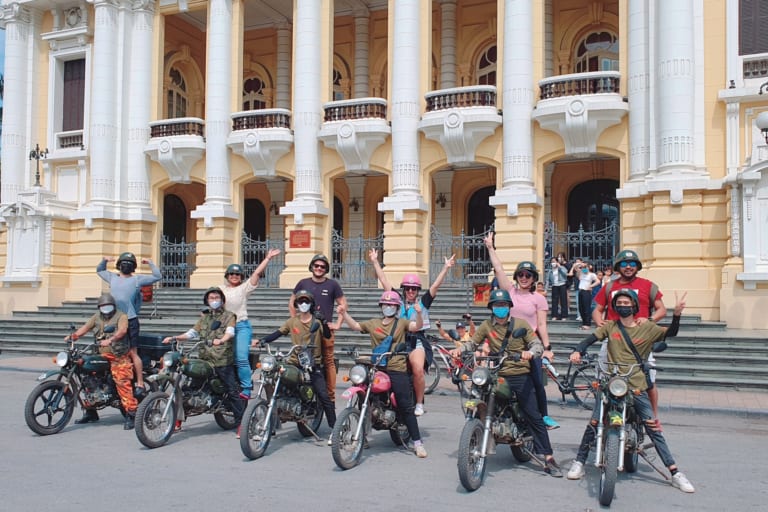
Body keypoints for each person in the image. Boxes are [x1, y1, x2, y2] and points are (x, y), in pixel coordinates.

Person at [566, 289, 695, 494]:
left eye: (627, 302)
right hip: (611, 381)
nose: (623, 305)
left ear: (634, 306)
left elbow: (670, 333)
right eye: (620, 303)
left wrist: (677, 314)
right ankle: (579, 462)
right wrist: (577, 350)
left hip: (636, 384)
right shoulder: (610, 326)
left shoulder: (647, 327)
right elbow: (590, 339)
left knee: (652, 426)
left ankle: (675, 472)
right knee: (594, 422)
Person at [449, 288, 563, 477]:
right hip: (498, 373)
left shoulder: (521, 324)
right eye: (496, 305)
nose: (500, 308)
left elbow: (536, 344)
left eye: (503, 305)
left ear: (509, 307)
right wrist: (460, 350)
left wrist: (530, 352)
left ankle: (548, 457)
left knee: (533, 415)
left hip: (520, 373)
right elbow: (473, 343)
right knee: (479, 390)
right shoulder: (486, 325)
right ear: (491, 308)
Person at [336, 290, 428, 458]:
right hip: (377, 366)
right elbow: (356, 326)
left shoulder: (401, 323)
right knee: (363, 394)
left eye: (392, 305)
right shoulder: (373, 323)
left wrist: (420, 314)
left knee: (406, 405)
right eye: (385, 304)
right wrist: (344, 313)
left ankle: (417, 442)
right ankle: (362, 434)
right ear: (381, 306)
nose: (388, 307)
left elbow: (417, 327)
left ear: (396, 307)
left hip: (396, 366)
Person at [483, 233, 559, 429]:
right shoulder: (509, 292)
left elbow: (542, 325)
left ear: (534, 278)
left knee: (536, 383)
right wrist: (491, 247)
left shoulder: (538, 298)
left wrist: (547, 348)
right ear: (516, 277)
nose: (524, 278)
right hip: (504, 342)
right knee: (491, 379)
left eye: (529, 275)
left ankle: (543, 416)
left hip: (528, 345)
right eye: (521, 275)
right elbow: (499, 269)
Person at [368, 248, 455, 416]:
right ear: (403, 289)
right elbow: (384, 281)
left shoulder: (423, 302)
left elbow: (435, 285)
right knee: (379, 366)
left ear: (417, 291)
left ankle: (420, 402)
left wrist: (446, 268)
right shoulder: (396, 301)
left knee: (417, 368)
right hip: (397, 340)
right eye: (407, 288)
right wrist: (374, 261)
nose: (410, 291)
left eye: (413, 289)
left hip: (417, 340)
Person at [591, 249, 667, 420]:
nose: (628, 267)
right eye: (624, 264)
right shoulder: (610, 286)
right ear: (618, 266)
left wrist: (649, 319)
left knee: (649, 382)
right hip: (613, 340)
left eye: (632, 264)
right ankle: (601, 416)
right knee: (602, 380)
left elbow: (661, 309)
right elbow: (598, 310)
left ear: (637, 266)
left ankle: (653, 418)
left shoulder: (648, 285)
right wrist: (600, 324)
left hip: (639, 341)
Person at [255, 290, 337, 444]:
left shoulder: (317, 322)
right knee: (276, 381)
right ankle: (270, 424)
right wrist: (262, 340)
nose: (303, 304)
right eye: (300, 302)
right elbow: (278, 333)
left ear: (311, 304)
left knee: (324, 396)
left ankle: (336, 429)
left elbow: (326, 335)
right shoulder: (292, 321)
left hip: (313, 363)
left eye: (306, 301)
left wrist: (324, 322)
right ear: (297, 304)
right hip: (294, 361)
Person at [162, 287, 245, 435]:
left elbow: (230, 332)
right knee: (187, 388)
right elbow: (192, 333)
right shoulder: (204, 318)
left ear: (222, 300)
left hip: (221, 359)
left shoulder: (229, 316)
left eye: (216, 298)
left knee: (232, 390)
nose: (214, 300)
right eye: (211, 298)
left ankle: (242, 425)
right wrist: (175, 337)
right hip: (204, 358)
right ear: (207, 301)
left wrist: (221, 340)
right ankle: (178, 420)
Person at [67, 293, 137, 429]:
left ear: (113, 306)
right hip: (101, 355)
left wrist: (110, 340)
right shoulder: (96, 317)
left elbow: (122, 331)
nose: (106, 308)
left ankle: (132, 413)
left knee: (121, 380)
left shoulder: (121, 316)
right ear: (99, 307)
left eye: (108, 305)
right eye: (103, 306)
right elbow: (85, 328)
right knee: (86, 376)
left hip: (118, 355)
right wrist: (73, 336)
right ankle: (90, 411)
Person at [97, 252, 162, 391]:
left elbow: (158, 276)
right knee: (110, 350)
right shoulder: (112, 277)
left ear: (133, 267)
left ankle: (139, 381)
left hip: (130, 320)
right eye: (123, 263)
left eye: (129, 264)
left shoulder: (137, 279)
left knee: (133, 352)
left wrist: (150, 262)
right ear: (119, 265)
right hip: (113, 320)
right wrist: (104, 260)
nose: (126, 265)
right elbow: (100, 270)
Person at [222, 248, 281, 399]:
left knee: (241, 358)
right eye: (231, 274)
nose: (234, 276)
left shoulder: (244, 288)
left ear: (241, 277)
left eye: (237, 274)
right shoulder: (220, 289)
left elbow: (255, 274)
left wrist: (267, 258)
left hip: (241, 326)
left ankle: (247, 388)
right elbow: (212, 301)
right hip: (223, 327)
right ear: (227, 276)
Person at [289, 254, 347, 403]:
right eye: (316, 266)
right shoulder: (303, 283)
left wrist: (338, 323)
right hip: (304, 329)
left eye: (322, 266)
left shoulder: (332, 284)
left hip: (325, 329)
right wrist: (294, 320)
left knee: (328, 361)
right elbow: (292, 302)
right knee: (301, 358)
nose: (319, 268)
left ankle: (330, 396)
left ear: (326, 268)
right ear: (312, 267)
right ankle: (300, 391)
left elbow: (343, 304)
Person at [575, 260, 600, 330]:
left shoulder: (592, 275)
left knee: (586, 308)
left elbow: (598, 281)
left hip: (586, 292)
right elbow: (576, 270)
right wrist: (580, 265)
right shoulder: (581, 273)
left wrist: (591, 286)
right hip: (580, 291)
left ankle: (587, 324)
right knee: (581, 308)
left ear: (589, 267)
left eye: (586, 267)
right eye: (583, 267)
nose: (584, 268)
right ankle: (584, 323)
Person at [547, 256, 569, 321]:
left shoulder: (562, 267)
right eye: (552, 262)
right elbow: (548, 280)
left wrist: (559, 267)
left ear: (557, 262)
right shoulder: (550, 271)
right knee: (554, 301)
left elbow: (565, 274)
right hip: (554, 286)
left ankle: (564, 316)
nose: (553, 263)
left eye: (554, 261)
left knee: (563, 301)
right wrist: (546, 289)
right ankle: (554, 315)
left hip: (562, 285)